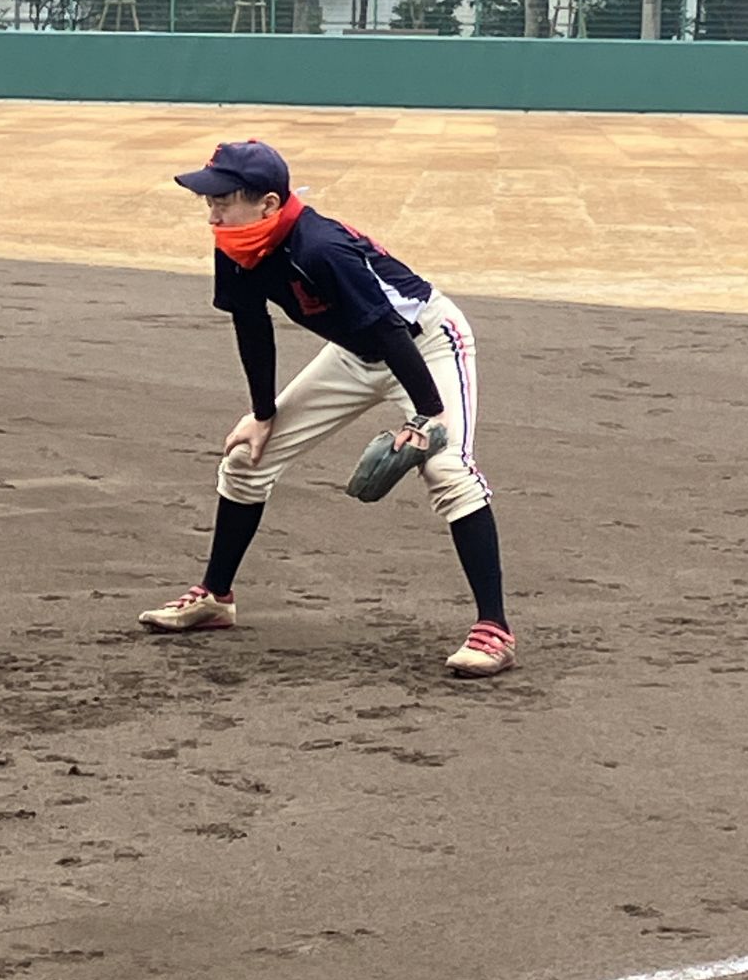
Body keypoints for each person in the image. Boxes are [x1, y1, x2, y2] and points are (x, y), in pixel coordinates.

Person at [138, 139, 515, 677]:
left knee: (446, 467)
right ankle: (215, 597)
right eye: (209, 202)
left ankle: (494, 630)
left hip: (425, 345)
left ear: (268, 204)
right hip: (355, 352)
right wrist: (262, 414)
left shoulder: (320, 248)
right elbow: (252, 325)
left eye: (222, 201)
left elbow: (390, 330)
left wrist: (427, 416)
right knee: (246, 460)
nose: (212, 215)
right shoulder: (236, 244)